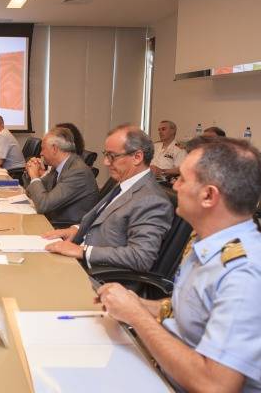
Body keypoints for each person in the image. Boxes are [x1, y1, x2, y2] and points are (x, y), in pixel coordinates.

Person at [97, 137, 261, 392]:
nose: (174, 185)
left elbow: (214, 385)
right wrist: (138, 303)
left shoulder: (244, 272)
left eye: (183, 179)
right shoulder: (207, 243)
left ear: (208, 195)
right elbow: (195, 310)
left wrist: (137, 315)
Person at [43, 125, 174, 272]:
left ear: (137, 157)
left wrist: (83, 251)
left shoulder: (152, 200)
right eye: (106, 154)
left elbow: (140, 257)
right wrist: (76, 230)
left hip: (98, 274)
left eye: (112, 156)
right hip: (79, 258)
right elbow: (103, 217)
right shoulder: (124, 182)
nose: (105, 162)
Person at [23, 128, 98, 225]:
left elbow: (43, 205)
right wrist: (30, 171)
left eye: (43, 148)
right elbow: (32, 193)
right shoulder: (58, 166)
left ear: (54, 149)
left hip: (64, 227)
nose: (41, 153)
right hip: (51, 219)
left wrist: (34, 176)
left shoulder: (78, 172)